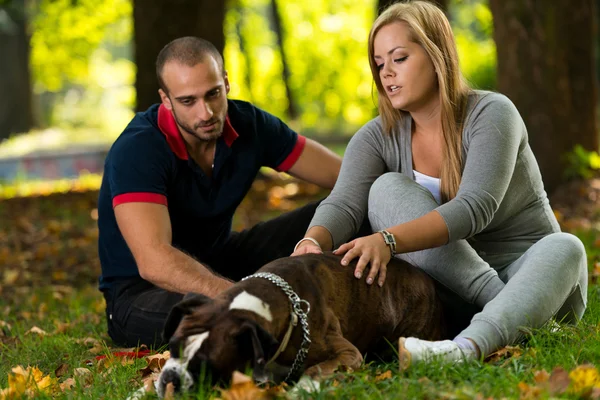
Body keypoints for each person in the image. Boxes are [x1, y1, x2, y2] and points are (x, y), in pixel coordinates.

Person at [292, 0, 587, 368]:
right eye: (379, 63)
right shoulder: (377, 136)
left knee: (566, 248)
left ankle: (464, 349)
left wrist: (388, 239)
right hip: (450, 294)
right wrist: (311, 241)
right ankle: (502, 313)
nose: (386, 73)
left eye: (399, 58)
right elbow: (343, 204)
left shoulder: (492, 113)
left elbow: (474, 208)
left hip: (539, 283)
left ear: (436, 54)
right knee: (384, 189)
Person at [97, 36, 344, 348]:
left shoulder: (249, 124)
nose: (206, 113)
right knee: (229, 323)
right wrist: (241, 295)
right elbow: (154, 262)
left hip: (222, 261)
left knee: (348, 211)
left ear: (226, 83)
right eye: (188, 101)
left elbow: (343, 175)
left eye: (213, 94)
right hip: (141, 292)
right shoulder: (138, 149)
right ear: (166, 99)